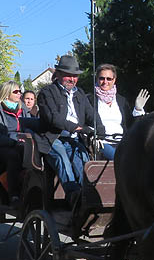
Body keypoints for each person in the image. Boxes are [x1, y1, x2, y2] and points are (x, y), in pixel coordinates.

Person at [37, 55, 104, 194]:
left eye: (75, 76)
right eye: (69, 75)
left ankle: (87, 195)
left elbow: (91, 114)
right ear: (59, 74)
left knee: (84, 160)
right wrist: (77, 128)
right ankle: (73, 196)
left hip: (73, 139)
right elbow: (53, 118)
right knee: (62, 158)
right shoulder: (47, 93)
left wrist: (100, 129)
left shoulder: (79, 94)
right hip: (52, 138)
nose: (72, 79)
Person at [88, 63, 150, 160]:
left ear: (114, 80)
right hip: (102, 143)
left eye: (109, 79)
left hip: (122, 142)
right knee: (121, 159)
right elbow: (83, 121)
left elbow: (131, 125)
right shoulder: (89, 100)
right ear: (97, 79)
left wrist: (138, 109)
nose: (105, 82)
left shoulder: (121, 101)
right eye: (102, 78)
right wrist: (91, 135)